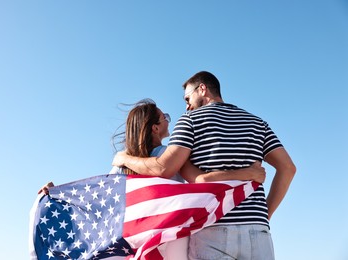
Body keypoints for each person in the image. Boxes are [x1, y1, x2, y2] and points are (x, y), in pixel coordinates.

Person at [38, 98, 267, 259]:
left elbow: (100, 203)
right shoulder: (172, 157)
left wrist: (59, 194)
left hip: (138, 241)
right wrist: (247, 174)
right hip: (174, 237)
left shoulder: (121, 164)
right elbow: (201, 180)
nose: (169, 120)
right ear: (156, 128)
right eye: (165, 117)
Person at [112, 71, 296, 259]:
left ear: (202, 89)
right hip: (257, 231)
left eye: (187, 98)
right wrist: (265, 214)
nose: (187, 106)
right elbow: (288, 168)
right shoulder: (258, 124)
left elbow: (164, 168)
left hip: (212, 230)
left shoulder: (190, 120)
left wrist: (124, 158)